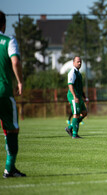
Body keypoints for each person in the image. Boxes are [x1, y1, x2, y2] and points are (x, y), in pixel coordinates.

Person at [0, 11, 26, 178]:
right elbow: (15, 61)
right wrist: (20, 81)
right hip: (3, 92)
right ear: (4, 24)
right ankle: (9, 168)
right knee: (12, 130)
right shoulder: (8, 41)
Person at [65, 56, 88, 139]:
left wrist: (84, 97)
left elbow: (80, 87)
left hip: (78, 96)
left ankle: (70, 127)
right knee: (76, 114)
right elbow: (70, 84)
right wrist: (74, 96)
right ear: (73, 63)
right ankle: (74, 134)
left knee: (84, 112)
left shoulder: (78, 73)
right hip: (73, 96)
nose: (79, 63)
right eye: (78, 62)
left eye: (80, 61)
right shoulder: (72, 72)